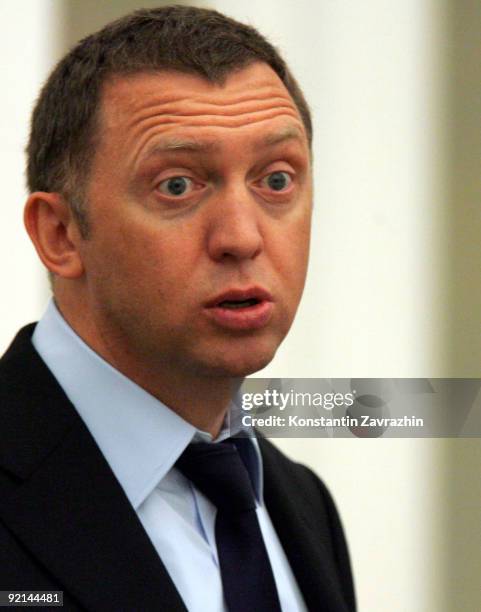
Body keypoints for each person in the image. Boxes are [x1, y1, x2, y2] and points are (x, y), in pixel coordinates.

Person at [0, 6, 355, 611]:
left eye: (275, 180)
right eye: (177, 185)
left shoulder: (301, 503)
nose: (242, 237)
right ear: (60, 234)